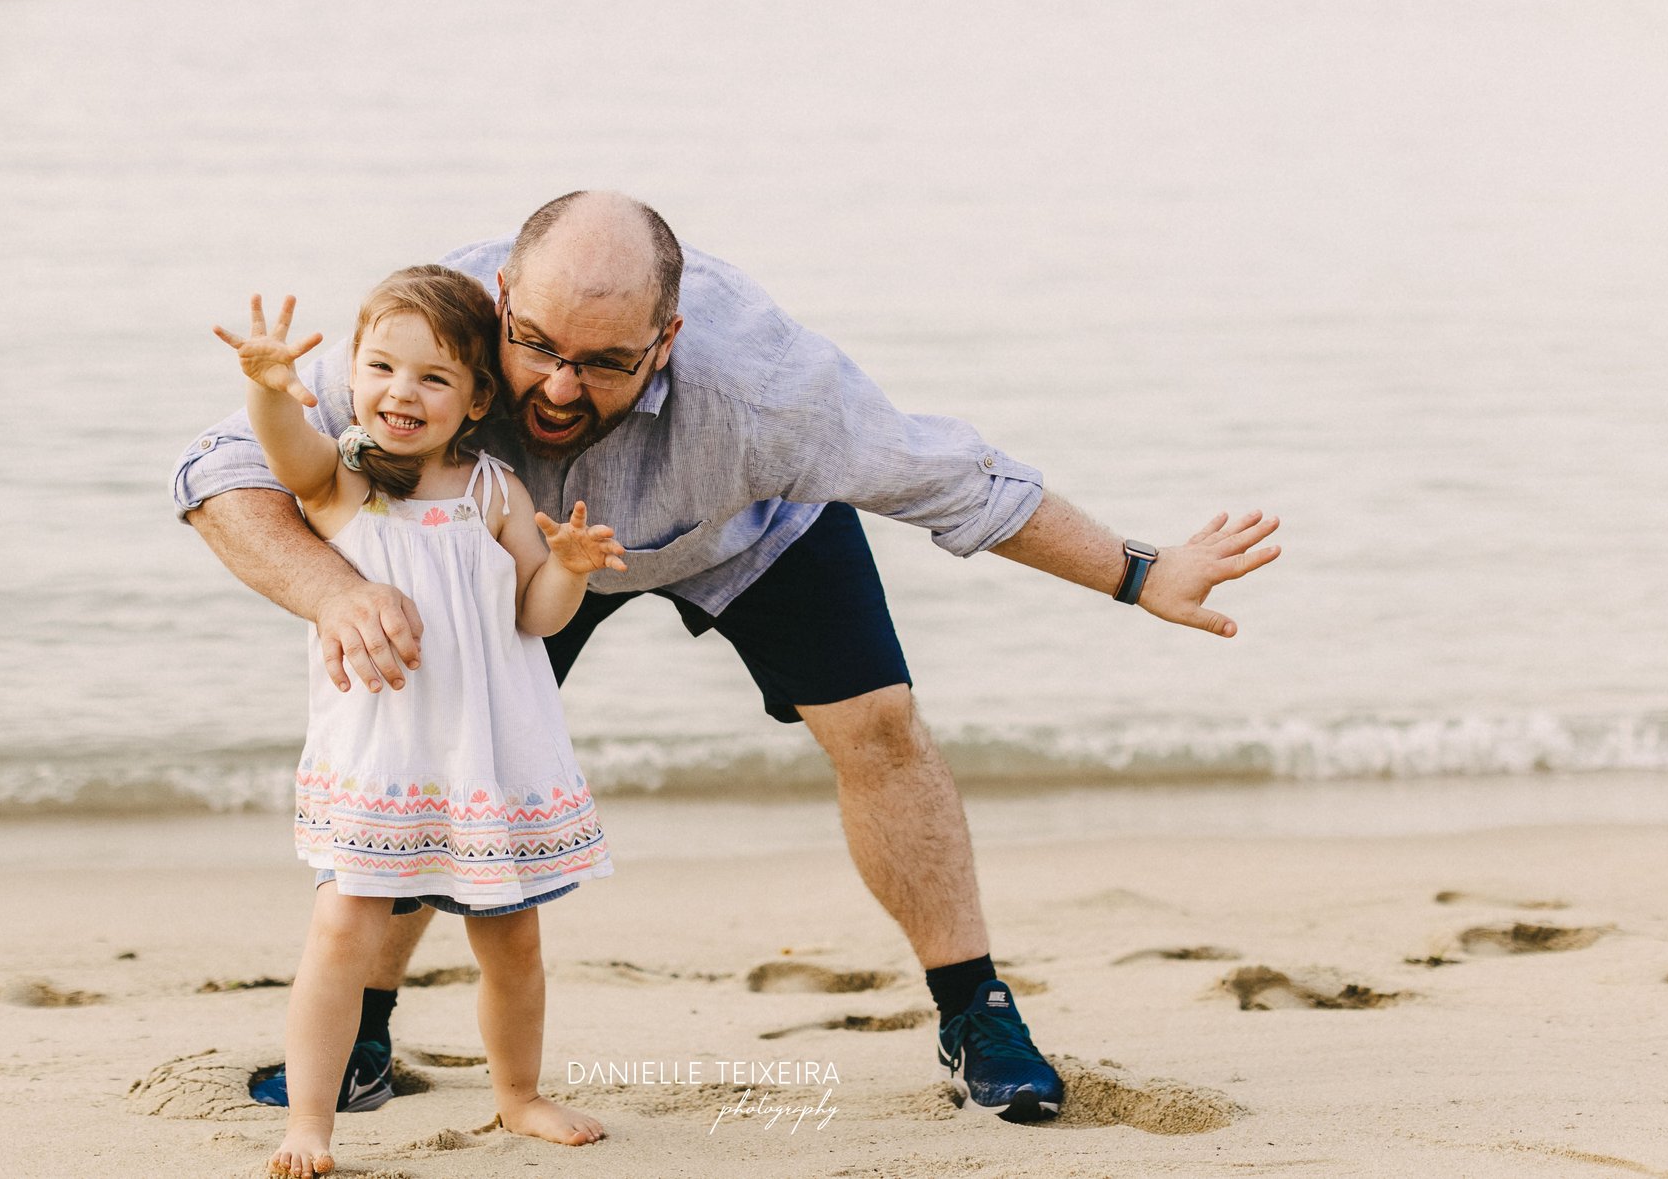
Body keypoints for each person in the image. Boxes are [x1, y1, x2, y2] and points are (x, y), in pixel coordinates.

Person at [175, 191, 1282, 1126]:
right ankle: (361, 1038)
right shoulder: (437, 323)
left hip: (750, 527)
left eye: (604, 363)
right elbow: (222, 470)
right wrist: (341, 592)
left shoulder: (767, 390)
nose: (561, 387)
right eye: (540, 349)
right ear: (503, 301)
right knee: (437, 748)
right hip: (504, 556)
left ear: (667, 333)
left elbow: (959, 479)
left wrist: (1138, 573)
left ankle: (973, 1012)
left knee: (881, 728)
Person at [212, 265, 624, 1176]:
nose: (403, 391)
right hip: (385, 756)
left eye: (434, 377)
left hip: (487, 755)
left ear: (477, 398)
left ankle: (517, 1094)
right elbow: (285, 451)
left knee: (513, 940)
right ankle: (310, 1120)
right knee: (340, 933)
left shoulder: (494, 492)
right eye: (382, 367)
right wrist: (268, 386)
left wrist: (569, 567)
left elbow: (536, 617)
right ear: (352, 377)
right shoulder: (346, 482)